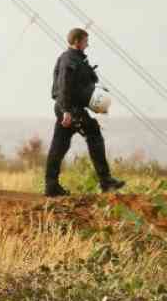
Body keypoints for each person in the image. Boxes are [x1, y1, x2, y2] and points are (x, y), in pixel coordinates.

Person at [44, 28, 125, 197]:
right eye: (85, 41)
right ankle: (105, 181)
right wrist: (66, 111)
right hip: (70, 108)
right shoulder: (69, 60)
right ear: (77, 41)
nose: (87, 44)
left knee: (59, 145)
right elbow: (64, 85)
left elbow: (82, 85)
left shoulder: (76, 59)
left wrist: (96, 98)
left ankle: (51, 186)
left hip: (69, 108)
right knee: (94, 134)